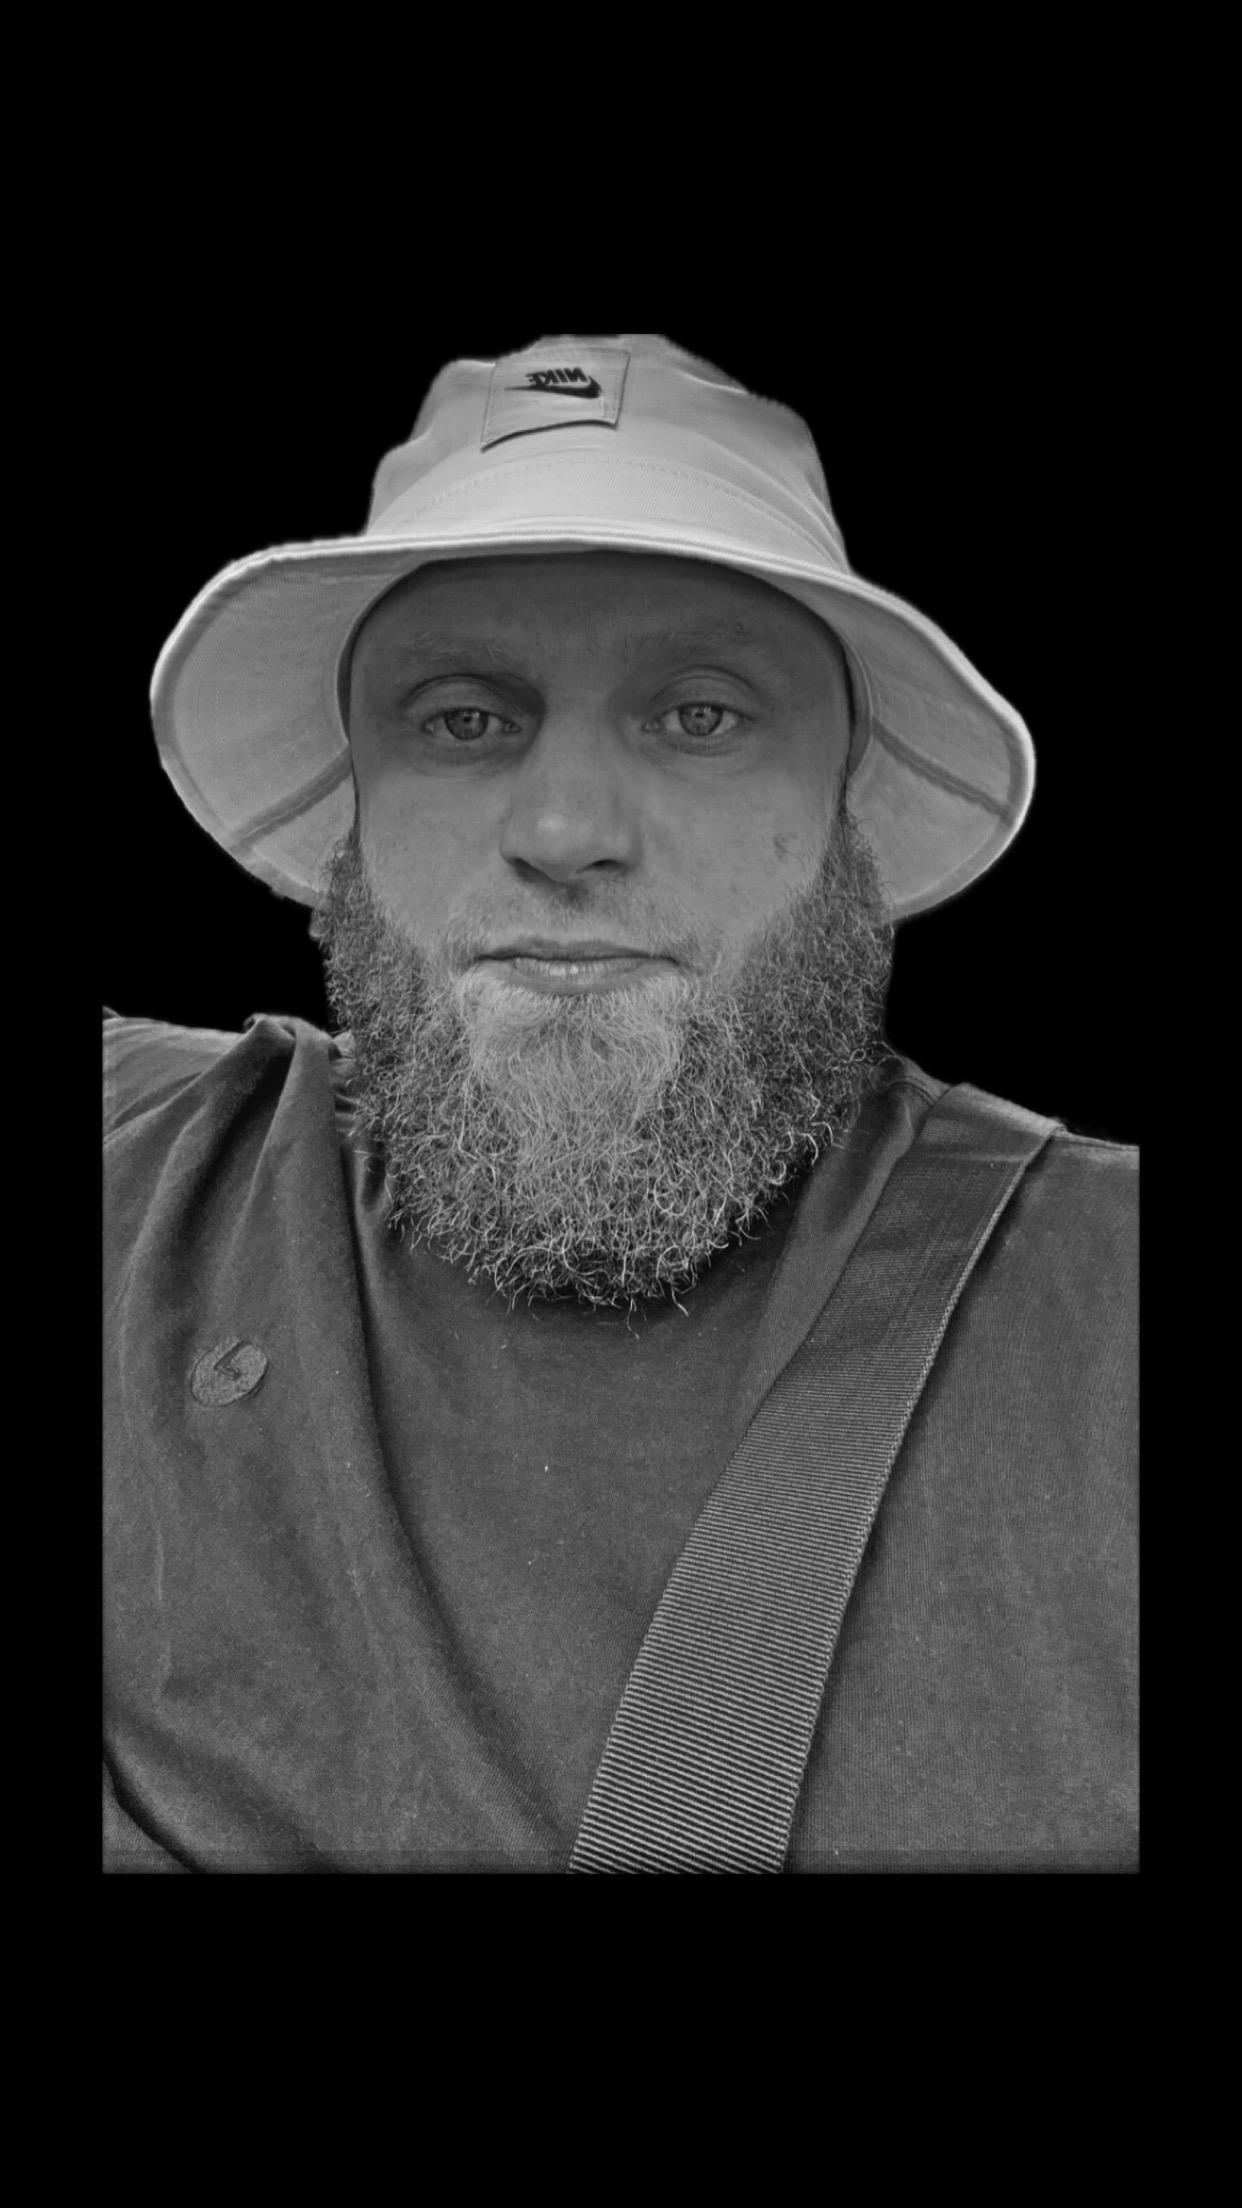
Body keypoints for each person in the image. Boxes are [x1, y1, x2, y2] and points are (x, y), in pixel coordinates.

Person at [104, 334, 1137, 1873]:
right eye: (462, 719)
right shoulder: (146, 1159)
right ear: (356, 813)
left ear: (842, 804)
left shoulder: (1109, 1302)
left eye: (700, 714)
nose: (563, 828)